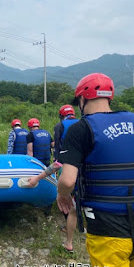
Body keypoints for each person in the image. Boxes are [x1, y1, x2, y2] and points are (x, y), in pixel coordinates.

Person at [57, 73, 134, 267]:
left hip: (106, 222)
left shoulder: (80, 129)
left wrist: (62, 195)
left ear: (83, 99)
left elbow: (68, 179)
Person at [53, 104, 80, 251]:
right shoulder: (83, 123)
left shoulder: (60, 125)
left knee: (66, 195)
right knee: (80, 195)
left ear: (62, 114)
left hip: (67, 163)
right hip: (84, 164)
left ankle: (68, 230)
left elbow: (58, 147)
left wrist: (56, 163)